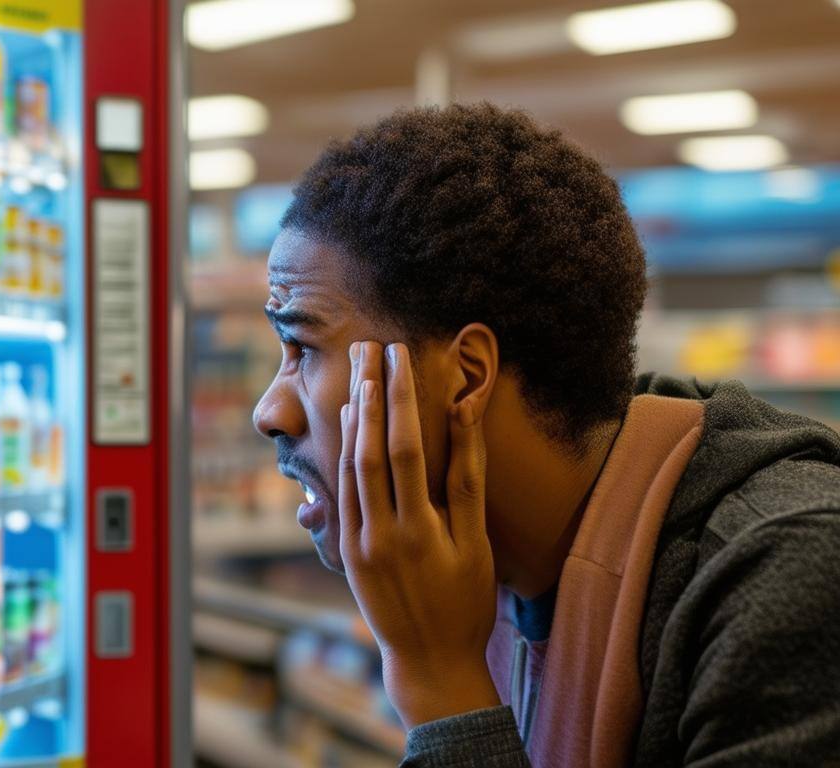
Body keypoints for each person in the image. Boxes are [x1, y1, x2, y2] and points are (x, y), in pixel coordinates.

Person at [252, 103, 840, 767]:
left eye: (302, 346)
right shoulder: (498, 568)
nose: (269, 411)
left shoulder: (790, 571)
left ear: (466, 377)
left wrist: (442, 683)